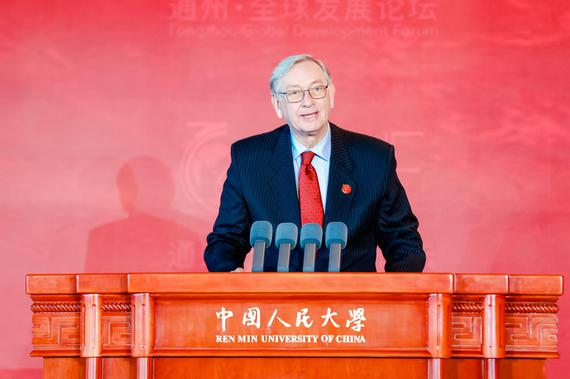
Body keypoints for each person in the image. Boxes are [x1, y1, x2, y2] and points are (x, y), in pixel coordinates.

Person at [204, 54, 425, 272]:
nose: (307, 101)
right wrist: (232, 276)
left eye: (316, 89)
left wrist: (394, 298)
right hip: (275, 303)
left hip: (353, 303)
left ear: (331, 95)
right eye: (294, 93)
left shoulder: (374, 158)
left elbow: (403, 241)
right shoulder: (249, 159)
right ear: (277, 104)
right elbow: (225, 240)